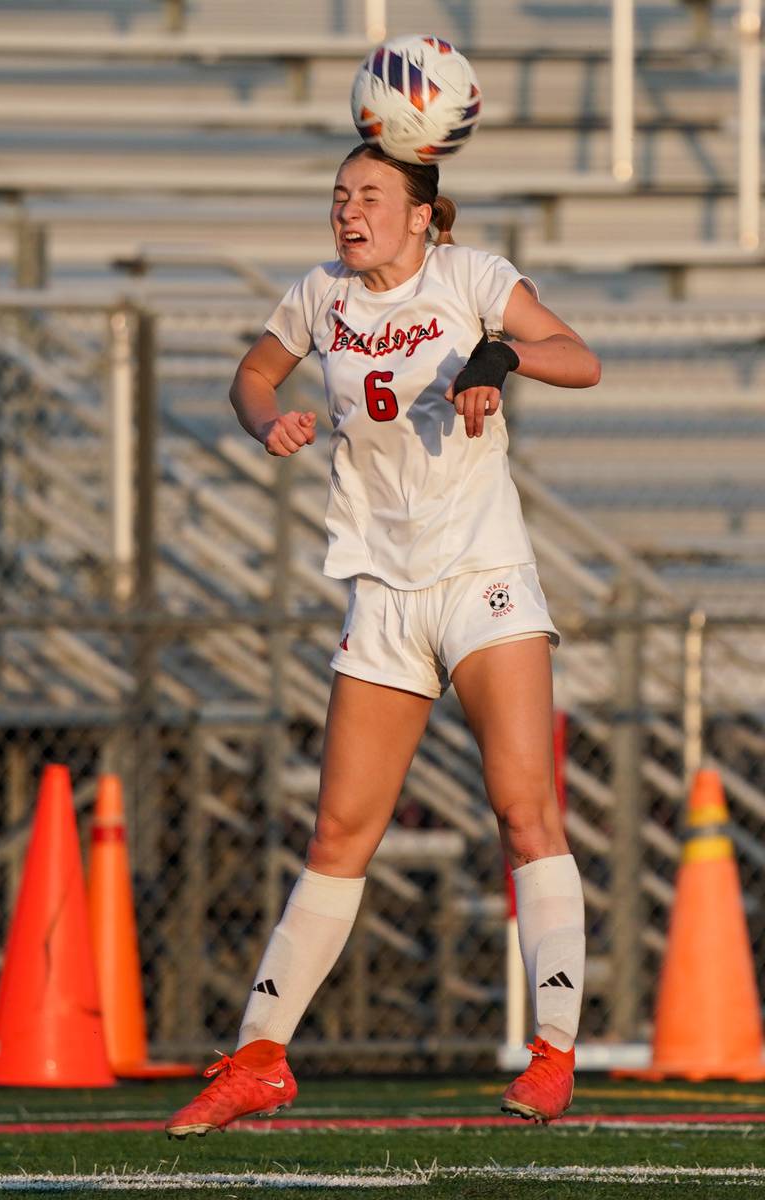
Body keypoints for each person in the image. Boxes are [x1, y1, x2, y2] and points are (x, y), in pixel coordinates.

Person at [166, 142, 601, 1139]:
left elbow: (578, 356)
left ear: (420, 214)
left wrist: (503, 355)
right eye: (337, 195)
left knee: (521, 807)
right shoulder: (320, 294)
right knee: (336, 836)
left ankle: (551, 1053)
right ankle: (261, 1059)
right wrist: (263, 416)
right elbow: (251, 373)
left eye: (368, 196)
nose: (346, 211)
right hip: (381, 595)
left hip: (482, 577)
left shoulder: (470, 276)